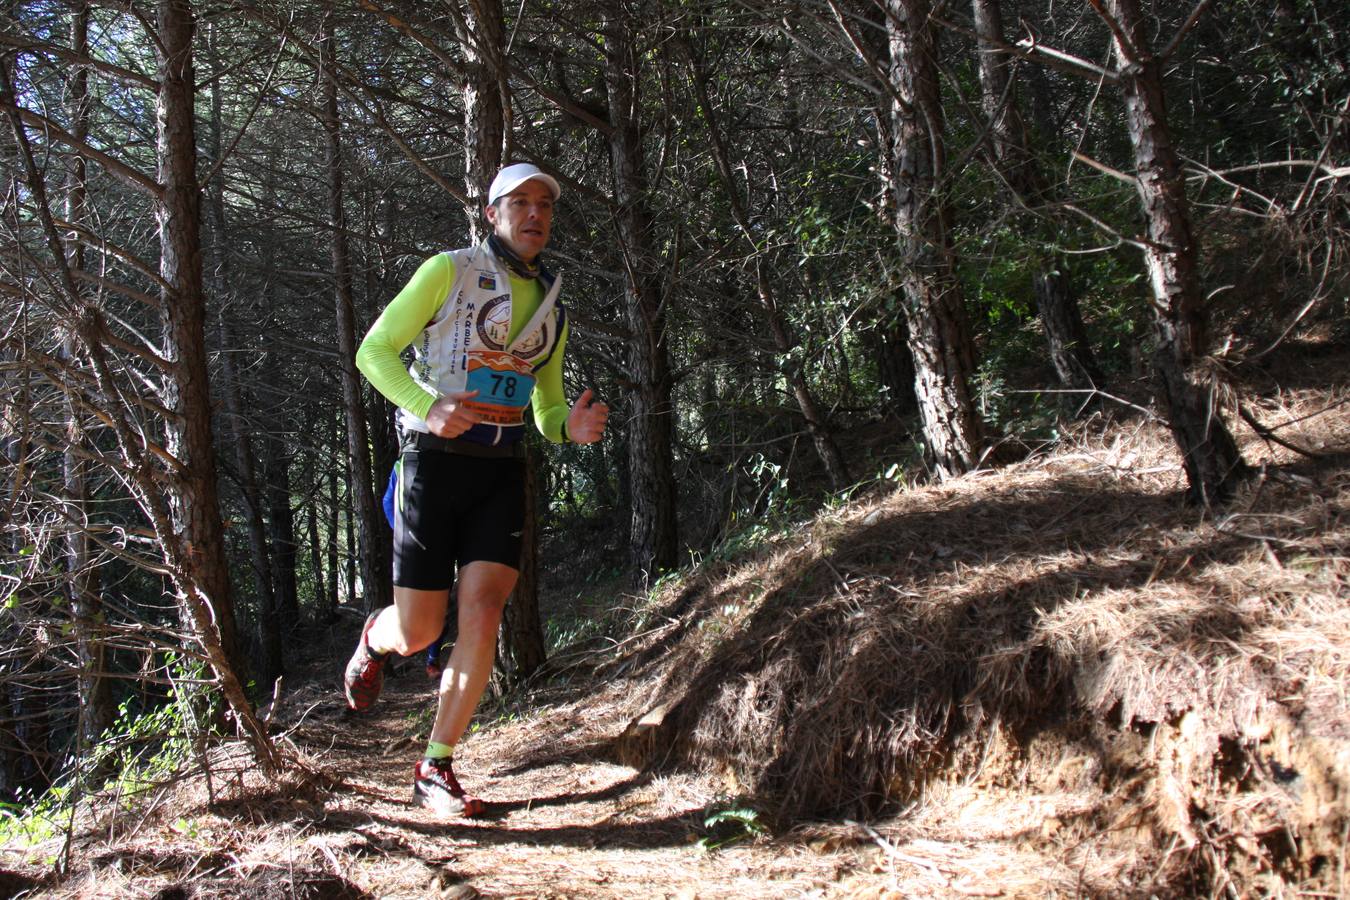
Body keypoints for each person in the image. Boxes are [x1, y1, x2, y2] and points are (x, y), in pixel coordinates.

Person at [344, 163, 608, 817]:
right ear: (493, 214)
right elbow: (374, 352)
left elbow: (544, 407)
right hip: (432, 463)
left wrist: (569, 429)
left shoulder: (553, 304)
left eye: (545, 204)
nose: (535, 214)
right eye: (519, 203)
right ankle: (377, 638)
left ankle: (435, 767)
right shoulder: (448, 270)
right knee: (418, 628)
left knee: (484, 613)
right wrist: (425, 404)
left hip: (500, 465)